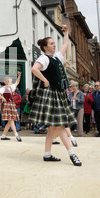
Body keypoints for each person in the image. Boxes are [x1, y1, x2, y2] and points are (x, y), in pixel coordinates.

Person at [29, 24, 81, 167]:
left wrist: (67, 32)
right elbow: (34, 69)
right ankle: (72, 154)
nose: (54, 45)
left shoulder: (56, 57)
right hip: (52, 95)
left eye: (53, 43)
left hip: (58, 94)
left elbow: (65, 44)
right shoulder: (44, 58)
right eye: (51, 43)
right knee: (59, 125)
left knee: (54, 128)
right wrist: (45, 80)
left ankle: (47, 154)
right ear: (45, 47)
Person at [0, 73, 22, 141]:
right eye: (10, 81)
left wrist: (19, 76)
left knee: (10, 122)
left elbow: (17, 82)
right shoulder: (4, 88)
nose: (11, 82)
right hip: (7, 105)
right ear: (6, 82)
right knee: (11, 120)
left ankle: (3, 136)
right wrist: (3, 98)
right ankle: (17, 135)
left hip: (11, 104)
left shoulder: (11, 87)